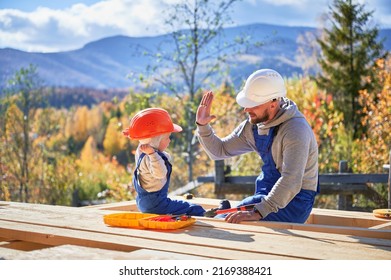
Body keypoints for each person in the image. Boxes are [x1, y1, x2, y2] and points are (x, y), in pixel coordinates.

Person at [196, 69, 319, 223]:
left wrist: (259, 211)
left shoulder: (295, 130)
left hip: (294, 203)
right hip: (265, 198)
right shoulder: (254, 125)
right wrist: (203, 126)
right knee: (225, 218)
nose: (246, 109)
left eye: (252, 105)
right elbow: (219, 151)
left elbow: (292, 180)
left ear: (273, 103)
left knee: (227, 221)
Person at [123, 108, 206, 216]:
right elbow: (160, 173)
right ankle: (208, 215)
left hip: (144, 202)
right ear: (156, 141)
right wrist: (153, 154)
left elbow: (147, 139)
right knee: (192, 208)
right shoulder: (151, 157)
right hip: (157, 204)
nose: (169, 140)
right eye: (167, 137)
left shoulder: (142, 151)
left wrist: (135, 132)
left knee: (180, 207)